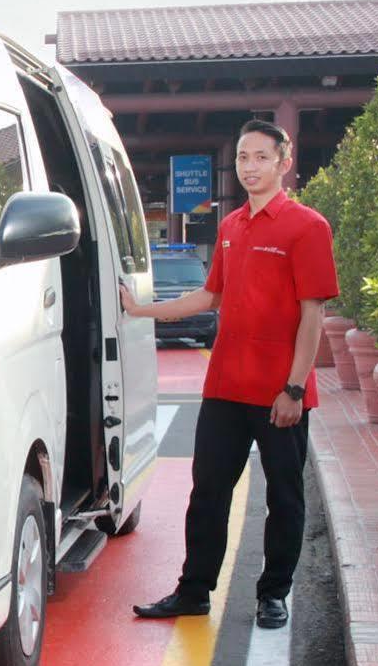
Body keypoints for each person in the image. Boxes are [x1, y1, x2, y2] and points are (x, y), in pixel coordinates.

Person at [118, 119, 339, 629]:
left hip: (280, 393)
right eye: (242, 157)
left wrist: (295, 388)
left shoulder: (308, 227)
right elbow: (208, 297)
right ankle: (194, 590)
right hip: (224, 388)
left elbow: (313, 315)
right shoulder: (231, 227)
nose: (250, 167)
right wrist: (142, 309)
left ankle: (273, 594)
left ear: (284, 163)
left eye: (261, 157)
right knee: (208, 493)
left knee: (284, 497)